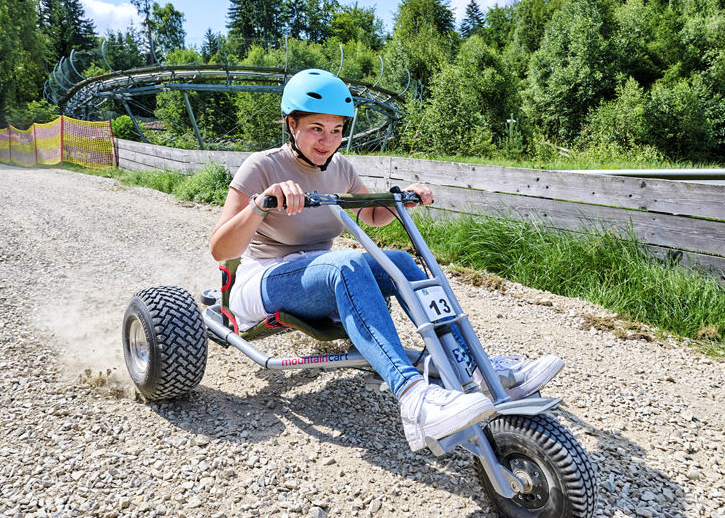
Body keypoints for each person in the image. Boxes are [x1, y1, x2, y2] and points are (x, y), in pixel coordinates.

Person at [209, 68, 563, 451]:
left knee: (399, 262)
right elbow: (221, 249)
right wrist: (261, 205)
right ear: (290, 124)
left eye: (336, 129)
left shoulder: (340, 168)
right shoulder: (261, 166)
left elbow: (372, 216)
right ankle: (414, 396)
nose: (327, 141)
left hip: (321, 275)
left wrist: (401, 198)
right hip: (263, 281)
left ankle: (472, 366)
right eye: (315, 128)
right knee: (346, 265)